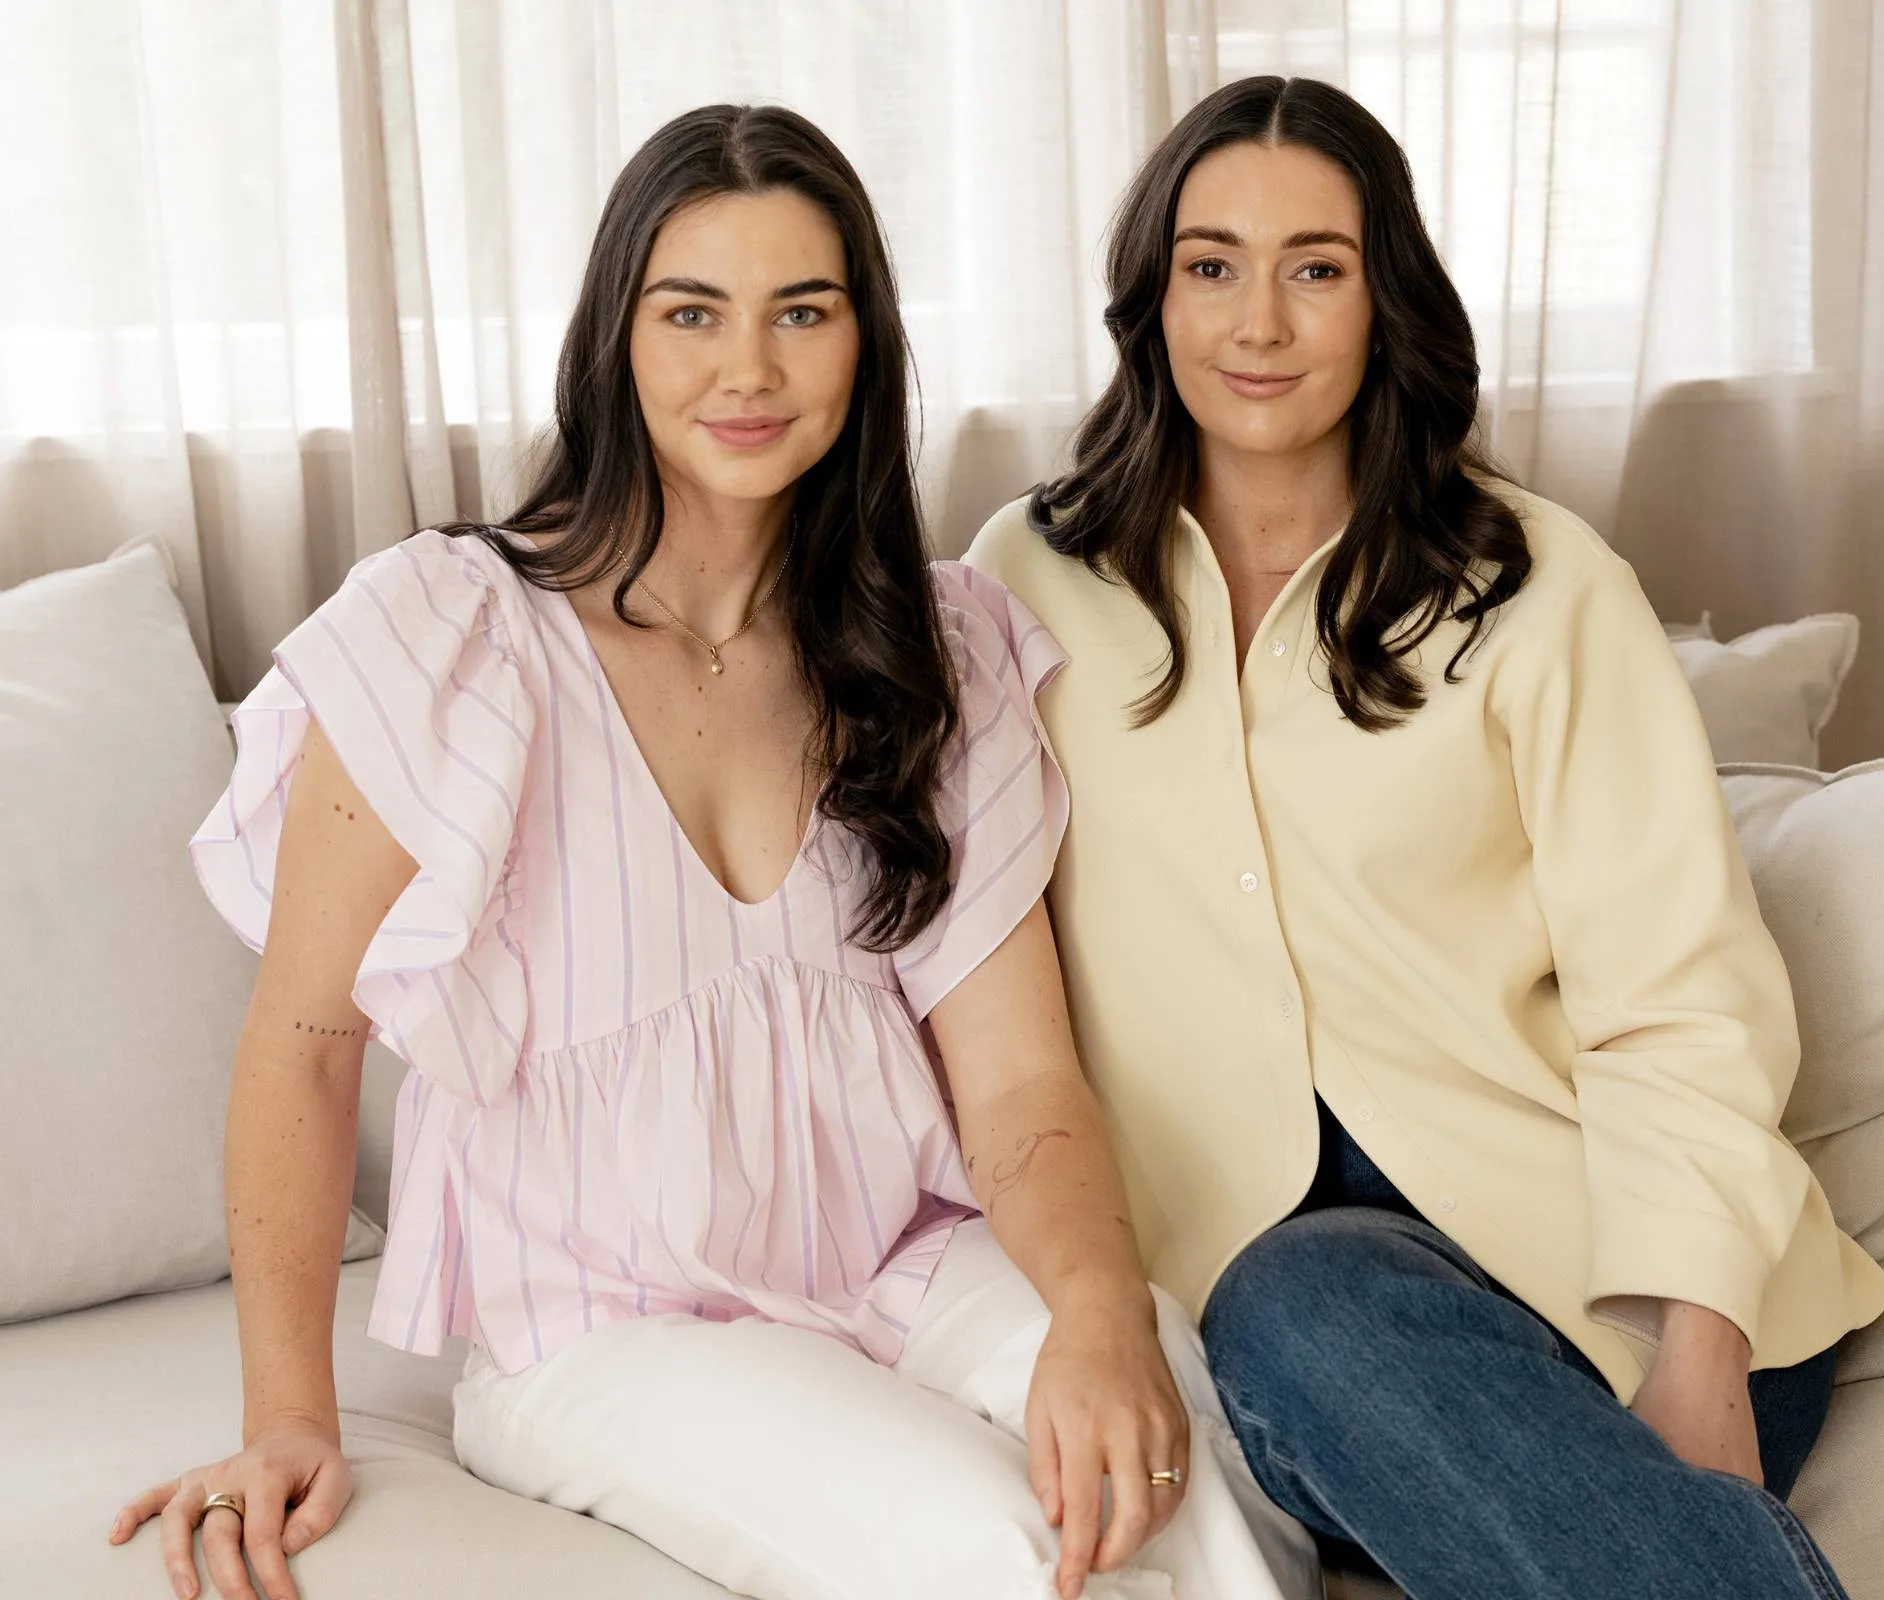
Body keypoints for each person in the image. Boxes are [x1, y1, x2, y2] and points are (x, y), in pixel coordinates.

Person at [109, 105, 1315, 1600]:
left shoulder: (936, 650)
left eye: (802, 312)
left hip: (905, 1259)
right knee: (1009, 1550)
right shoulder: (451, 636)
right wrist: (287, 1418)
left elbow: (1016, 1084)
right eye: (693, 313)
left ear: (864, 343)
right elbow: (301, 1044)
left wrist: (1100, 1311)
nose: (749, 370)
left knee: (1175, 1455)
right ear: (616, 338)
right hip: (605, 1325)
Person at [966, 74, 1884, 1600]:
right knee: (1299, 1306)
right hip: (1291, 1331)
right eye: (1213, 266)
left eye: (1316, 269)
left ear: (1383, 298)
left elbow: (1681, 993)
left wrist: (1703, 1346)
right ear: (1153, 298)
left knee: (1319, 1321)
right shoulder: (1027, 577)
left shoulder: (1541, 584)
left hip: (1618, 1282)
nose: (1260, 322)